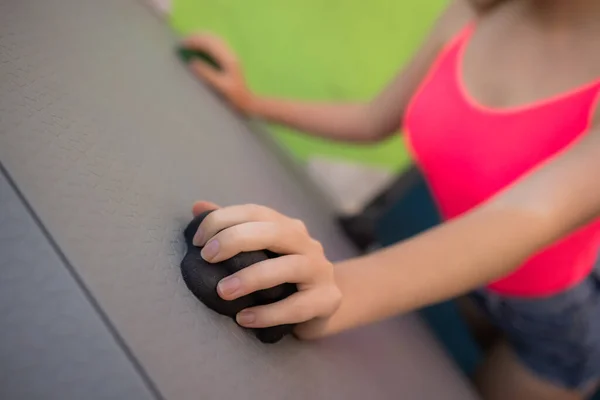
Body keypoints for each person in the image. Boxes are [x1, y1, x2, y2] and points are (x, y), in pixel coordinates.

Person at [181, 0, 600, 398]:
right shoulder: (474, 12)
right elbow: (374, 118)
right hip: (471, 275)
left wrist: (339, 287)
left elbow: (527, 215)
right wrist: (253, 102)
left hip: (554, 320)